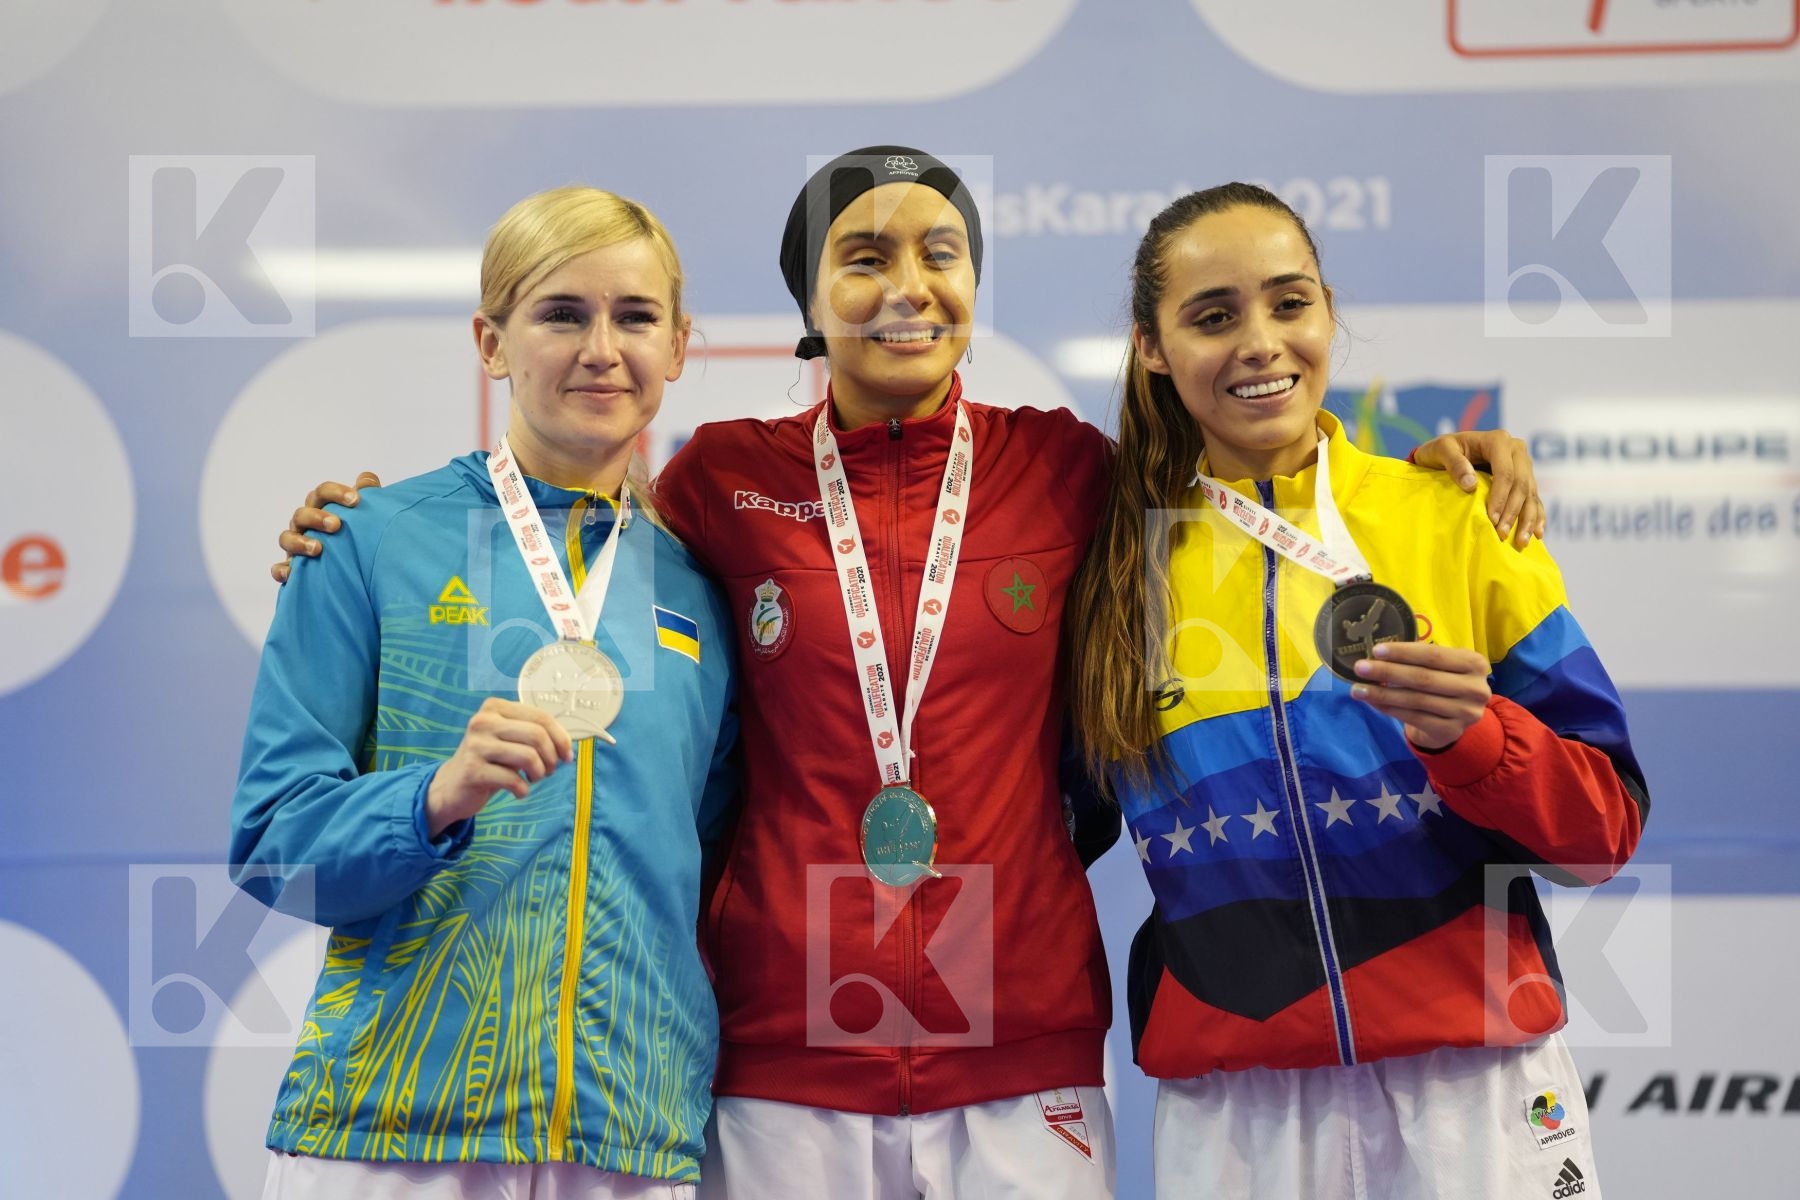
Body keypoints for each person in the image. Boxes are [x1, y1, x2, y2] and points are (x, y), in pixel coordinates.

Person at [270, 149, 1545, 1199]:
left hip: (1020, 1037)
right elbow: (573, 535)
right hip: (782, 1051)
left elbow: (1239, 491)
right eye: (864, 257)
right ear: (809, 303)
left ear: (975, 287)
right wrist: (371, 522)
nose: (908, 284)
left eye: (941, 252)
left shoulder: (1067, 470)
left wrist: (1434, 459)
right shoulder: (720, 477)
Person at [1066, 183, 1649, 1199]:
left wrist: (1479, 738)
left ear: (1328, 312)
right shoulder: (1113, 566)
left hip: (1474, 1078)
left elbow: (1603, 839)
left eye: (1290, 303)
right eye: (1213, 317)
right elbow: (1043, 825)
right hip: (1241, 1099)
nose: (1260, 342)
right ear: (1151, 348)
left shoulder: (1456, 514)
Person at [231, 185, 737, 1200]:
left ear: (679, 347)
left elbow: (719, 868)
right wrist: (430, 799)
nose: (602, 348)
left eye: (635, 317)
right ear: (490, 340)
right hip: (388, 1130)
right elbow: (272, 848)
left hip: (629, 1137)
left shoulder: (705, 584)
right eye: (561, 313)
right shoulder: (369, 542)